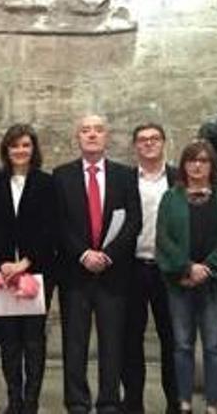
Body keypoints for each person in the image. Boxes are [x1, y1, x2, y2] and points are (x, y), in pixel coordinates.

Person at [53, 114, 142, 414]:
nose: (91, 135)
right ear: (77, 137)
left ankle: (108, 401)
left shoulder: (125, 175)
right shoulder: (61, 175)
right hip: (74, 274)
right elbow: (59, 223)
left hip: (113, 273)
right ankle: (77, 401)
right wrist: (83, 254)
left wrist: (108, 255)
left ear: (107, 137)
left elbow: (133, 221)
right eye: (85, 130)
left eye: (98, 130)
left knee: (112, 342)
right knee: (75, 342)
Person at [156, 140, 217, 414]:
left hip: (215, 283)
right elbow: (164, 239)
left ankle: (213, 403)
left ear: (211, 165)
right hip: (179, 282)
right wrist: (186, 267)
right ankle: (184, 401)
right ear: (183, 165)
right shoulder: (171, 197)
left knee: (213, 346)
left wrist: (207, 269)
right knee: (182, 345)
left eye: (203, 160)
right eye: (191, 160)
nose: (197, 165)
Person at [0, 124, 56, 414]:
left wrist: (26, 262)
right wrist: (3, 264)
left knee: (33, 339)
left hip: (37, 272)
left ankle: (31, 403)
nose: (20, 151)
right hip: (3, 275)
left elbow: (51, 229)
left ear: (33, 149)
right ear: (6, 150)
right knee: (10, 341)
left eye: (26, 145)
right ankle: (14, 400)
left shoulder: (47, 183)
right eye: (14, 146)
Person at [122, 123, 178, 414]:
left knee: (172, 339)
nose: (148, 144)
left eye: (154, 138)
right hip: (133, 267)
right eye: (142, 140)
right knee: (131, 339)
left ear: (164, 142)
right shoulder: (125, 180)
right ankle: (133, 403)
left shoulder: (179, 178)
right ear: (135, 146)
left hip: (169, 270)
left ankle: (175, 403)